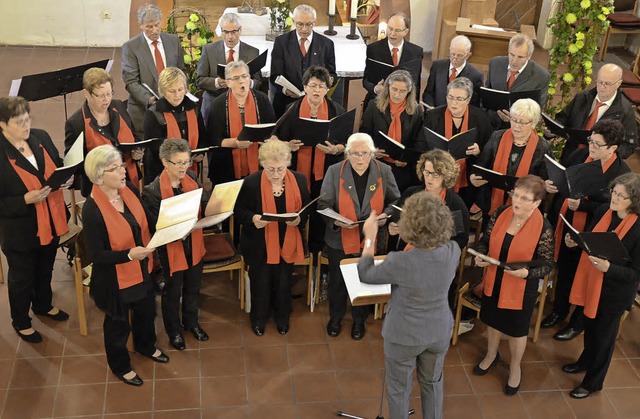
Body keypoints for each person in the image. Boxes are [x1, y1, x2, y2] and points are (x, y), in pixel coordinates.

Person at [358, 192, 459, 419]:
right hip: (438, 330)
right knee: (432, 383)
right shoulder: (453, 251)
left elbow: (365, 272)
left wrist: (370, 238)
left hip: (404, 334)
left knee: (398, 390)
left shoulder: (400, 261)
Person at [82, 145, 168, 387]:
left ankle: (145, 346)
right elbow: (97, 256)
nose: (123, 171)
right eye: (115, 168)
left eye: (122, 165)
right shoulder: (92, 210)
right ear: (99, 176)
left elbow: (144, 219)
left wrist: (168, 225)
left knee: (146, 312)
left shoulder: (127, 189)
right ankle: (120, 366)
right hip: (115, 280)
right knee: (118, 326)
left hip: (142, 268)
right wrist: (129, 255)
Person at [542, 120, 630, 341]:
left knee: (587, 276)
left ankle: (577, 322)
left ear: (613, 148)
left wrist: (584, 206)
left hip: (594, 231)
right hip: (568, 221)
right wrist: (553, 185)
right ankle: (559, 311)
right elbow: (566, 180)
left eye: (598, 144)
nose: (591, 146)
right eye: (591, 140)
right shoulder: (579, 156)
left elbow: (617, 210)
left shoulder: (621, 174)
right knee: (564, 268)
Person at [472, 175, 554, 395]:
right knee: (492, 319)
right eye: (515, 195)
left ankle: (515, 367)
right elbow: (484, 241)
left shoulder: (543, 228)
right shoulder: (500, 213)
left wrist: (527, 273)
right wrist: (481, 255)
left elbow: (547, 264)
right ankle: (491, 355)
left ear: (536, 203)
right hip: (494, 278)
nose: (516, 201)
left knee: (517, 330)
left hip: (521, 287)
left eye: (524, 198)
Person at [562, 173, 640, 399]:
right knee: (591, 328)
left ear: (634, 201)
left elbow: (635, 274)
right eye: (614, 192)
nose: (614, 198)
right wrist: (574, 242)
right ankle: (585, 362)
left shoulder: (637, 230)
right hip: (593, 281)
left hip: (615, 293)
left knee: (604, 340)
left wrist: (609, 268)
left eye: (621, 196)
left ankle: (593, 382)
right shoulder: (606, 212)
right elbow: (591, 241)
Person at [0, 96, 71, 343]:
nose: (26, 126)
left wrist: (66, 175)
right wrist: (24, 200)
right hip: (20, 230)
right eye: (19, 122)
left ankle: (43, 304)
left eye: (27, 119)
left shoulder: (40, 137)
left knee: (44, 268)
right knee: (21, 278)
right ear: (2, 124)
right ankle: (20, 321)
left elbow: (57, 164)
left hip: (50, 220)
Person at [318, 133, 400, 340]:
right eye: (355, 154)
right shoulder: (335, 171)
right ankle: (335, 318)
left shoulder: (385, 171)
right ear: (347, 154)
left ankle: (358, 321)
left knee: (364, 281)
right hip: (340, 238)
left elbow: (395, 201)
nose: (360, 159)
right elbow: (323, 204)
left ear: (372, 154)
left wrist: (386, 216)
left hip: (371, 237)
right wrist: (335, 220)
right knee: (337, 281)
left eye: (364, 153)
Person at [234, 139, 310, 336]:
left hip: (288, 241)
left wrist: (299, 220)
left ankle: (282, 318)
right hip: (259, 242)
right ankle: (259, 319)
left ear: (288, 164)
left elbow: (307, 210)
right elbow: (239, 211)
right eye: (270, 170)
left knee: (284, 282)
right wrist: (252, 218)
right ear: (262, 165)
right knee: (261, 282)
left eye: (280, 169)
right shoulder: (251, 183)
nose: (276, 174)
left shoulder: (300, 180)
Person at [142, 139, 208, 350]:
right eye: (178, 163)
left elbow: (200, 206)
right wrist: (176, 231)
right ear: (165, 162)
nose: (183, 167)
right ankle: (174, 331)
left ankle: (192, 322)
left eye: (186, 162)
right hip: (170, 249)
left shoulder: (192, 177)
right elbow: (155, 226)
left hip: (194, 244)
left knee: (193, 287)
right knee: (172, 292)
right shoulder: (152, 192)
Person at [272, 66, 345, 252]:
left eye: (321, 86)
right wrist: (288, 146)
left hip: (325, 172)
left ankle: (316, 251)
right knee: (297, 210)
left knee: (321, 212)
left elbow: (346, 142)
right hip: (297, 172)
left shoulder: (336, 110)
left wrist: (336, 149)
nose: (316, 90)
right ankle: (296, 250)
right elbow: (277, 140)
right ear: (304, 87)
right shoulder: (291, 109)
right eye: (312, 86)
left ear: (327, 89)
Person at [388, 150, 469, 309]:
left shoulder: (455, 204)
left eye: (435, 174)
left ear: (446, 176)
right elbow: (396, 218)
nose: (429, 178)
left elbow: (461, 239)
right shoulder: (411, 193)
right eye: (426, 172)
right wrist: (393, 227)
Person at [65, 67, 142, 197]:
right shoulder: (76, 123)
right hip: (100, 188)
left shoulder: (118, 106)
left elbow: (134, 137)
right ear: (86, 93)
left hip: (128, 178)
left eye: (109, 93)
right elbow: (73, 163)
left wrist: (138, 151)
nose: (106, 100)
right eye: (101, 95)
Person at [470, 98, 551, 218]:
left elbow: (543, 183)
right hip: (491, 201)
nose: (516, 126)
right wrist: (473, 177)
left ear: (533, 123)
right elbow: (481, 164)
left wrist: (522, 194)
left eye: (523, 122)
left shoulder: (543, 147)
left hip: (524, 207)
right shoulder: (497, 136)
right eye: (514, 120)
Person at [423, 77, 493, 207]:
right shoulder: (433, 116)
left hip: (467, 178)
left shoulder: (480, 118)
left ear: (468, 99)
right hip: (437, 175)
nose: (453, 103)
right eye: (450, 97)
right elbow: (422, 145)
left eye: (459, 99)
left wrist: (479, 150)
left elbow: (491, 150)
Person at [208, 61, 276, 185]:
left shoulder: (262, 100)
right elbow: (213, 139)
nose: (242, 81)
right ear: (228, 82)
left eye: (245, 76)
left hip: (260, 161)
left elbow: (272, 130)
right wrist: (235, 143)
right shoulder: (217, 105)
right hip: (227, 165)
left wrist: (269, 139)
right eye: (236, 78)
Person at [122, 3, 184, 139]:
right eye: (149, 27)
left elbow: (180, 71)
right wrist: (151, 99)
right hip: (144, 111)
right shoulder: (131, 47)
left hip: (173, 105)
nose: (154, 30)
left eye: (157, 25)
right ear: (141, 25)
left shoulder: (173, 41)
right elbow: (131, 82)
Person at [553, 63, 637, 163]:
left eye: (607, 84)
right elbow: (563, 118)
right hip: (571, 156)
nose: (602, 87)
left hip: (597, 163)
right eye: (600, 82)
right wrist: (553, 128)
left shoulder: (625, 111)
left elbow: (629, 145)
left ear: (618, 83)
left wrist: (606, 153)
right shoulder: (582, 97)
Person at [361, 70, 424, 193]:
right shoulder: (373, 106)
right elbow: (364, 133)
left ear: (409, 92)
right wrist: (372, 151)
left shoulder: (416, 111)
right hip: (377, 159)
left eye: (402, 91)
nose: (397, 94)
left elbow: (418, 142)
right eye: (394, 89)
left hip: (403, 165)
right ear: (387, 88)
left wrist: (406, 159)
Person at [143, 67, 208, 184]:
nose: (177, 95)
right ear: (163, 91)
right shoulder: (154, 112)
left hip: (191, 167)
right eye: (172, 91)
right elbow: (153, 146)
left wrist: (200, 153)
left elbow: (203, 135)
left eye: (180, 89)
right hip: (161, 170)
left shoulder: (193, 108)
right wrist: (180, 160)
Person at [270, 4, 336, 117]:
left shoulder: (326, 44)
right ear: (293, 21)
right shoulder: (281, 42)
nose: (304, 29)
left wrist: (328, 81)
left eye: (309, 24)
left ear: (314, 22)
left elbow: (332, 73)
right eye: (300, 24)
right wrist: (286, 90)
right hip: (287, 101)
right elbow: (275, 75)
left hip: (316, 102)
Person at [196, 12, 261, 122]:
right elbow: (199, 80)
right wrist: (217, 82)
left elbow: (258, 81)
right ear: (221, 31)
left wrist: (248, 82)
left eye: (234, 32)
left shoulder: (252, 52)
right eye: (225, 32)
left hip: (242, 101)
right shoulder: (209, 50)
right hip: (214, 100)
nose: (230, 37)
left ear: (240, 30)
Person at [485, 34, 550, 129]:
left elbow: (536, 112)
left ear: (529, 56)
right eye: (511, 55)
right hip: (490, 124)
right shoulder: (495, 63)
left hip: (517, 128)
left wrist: (514, 119)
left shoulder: (541, 76)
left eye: (520, 57)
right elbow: (487, 94)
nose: (514, 61)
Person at [362, 12, 423, 109]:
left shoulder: (416, 52)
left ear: (405, 32)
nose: (392, 33)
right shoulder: (373, 49)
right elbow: (366, 80)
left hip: (403, 103)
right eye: (390, 28)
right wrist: (375, 89)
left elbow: (417, 85)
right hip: (379, 101)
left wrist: (413, 107)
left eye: (397, 30)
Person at [422, 35, 483, 108]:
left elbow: (474, 105)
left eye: (460, 56)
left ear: (468, 55)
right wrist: (431, 108)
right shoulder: (437, 66)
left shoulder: (475, 76)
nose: (455, 58)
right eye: (452, 54)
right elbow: (428, 93)